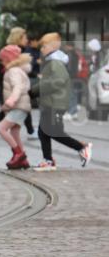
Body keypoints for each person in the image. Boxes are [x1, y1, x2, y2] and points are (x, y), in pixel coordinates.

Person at [34, 33, 93, 171]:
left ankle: (81, 147)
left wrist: (35, 90)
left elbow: (56, 82)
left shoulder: (55, 62)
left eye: (44, 46)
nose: (41, 49)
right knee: (44, 131)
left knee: (53, 132)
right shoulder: (51, 60)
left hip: (55, 103)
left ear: (53, 46)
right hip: (50, 102)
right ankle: (48, 160)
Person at [0, 27, 34, 137]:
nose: (27, 40)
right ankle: (31, 131)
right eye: (25, 37)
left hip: (12, 82)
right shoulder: (13, 50)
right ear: (19, 38)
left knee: (18, 106)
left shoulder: (18, 49)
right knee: (17, 106)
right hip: (9, 83)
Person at [0, 44, 33, 170]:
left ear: (8, 59)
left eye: (2, 59)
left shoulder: (13, 71)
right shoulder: (16, 70)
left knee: (2, 130)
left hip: (18, 105)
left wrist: (11, 100)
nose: (1, 62)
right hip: (21, 106)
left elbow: (18, 87)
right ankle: (24, 160)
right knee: (14, 131)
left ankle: (18, 153)